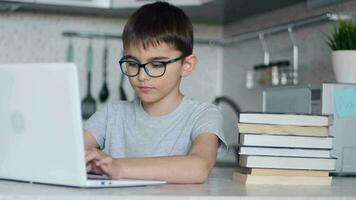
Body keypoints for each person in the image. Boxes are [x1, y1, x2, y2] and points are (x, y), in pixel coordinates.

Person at [84, 1, 227, 184]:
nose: (142, 76)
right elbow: (65, 152)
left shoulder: (203, 115)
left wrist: (119, 167)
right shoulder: (111, 115)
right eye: (133, 63)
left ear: (186, 65)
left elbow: (198, 168)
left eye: (157, 64)